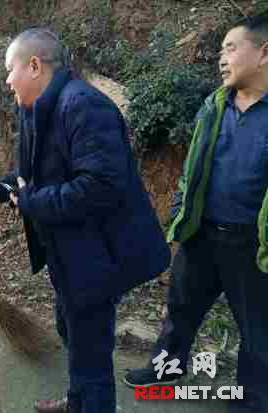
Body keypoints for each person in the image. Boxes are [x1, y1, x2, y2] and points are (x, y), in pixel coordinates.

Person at [0, 28, 171, 413]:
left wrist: (30, 202)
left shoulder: (84, 106)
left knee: (91, 353)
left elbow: (100, 186)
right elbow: (30, 178)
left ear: (34, 66)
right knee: (71, 330)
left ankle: (92, 403)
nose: (7, 81)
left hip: (98, 255)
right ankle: (77, 401)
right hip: (69, 252)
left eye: (9, 69)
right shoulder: (38, 109)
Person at [123, 14, 268, 413]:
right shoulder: (215, 104)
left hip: (252, 244)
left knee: (257, 329)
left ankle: (252, 400)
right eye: (220, 49)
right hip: (202, 232)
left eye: (231, 48)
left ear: (264, 53)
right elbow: (192, 168)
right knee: (180, 308)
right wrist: (180, 215)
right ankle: (166, 369)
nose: (222, 58)